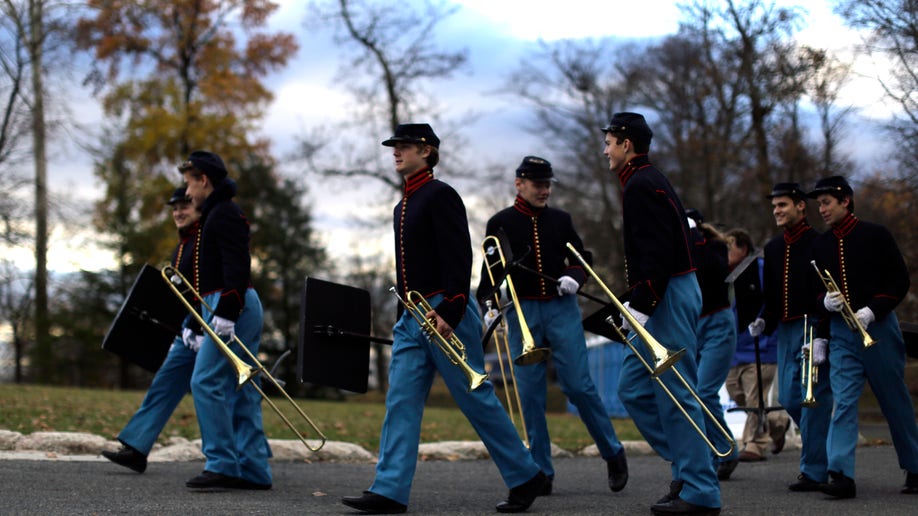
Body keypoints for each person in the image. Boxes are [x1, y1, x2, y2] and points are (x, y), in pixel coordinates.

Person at [341, 124, 547, 514]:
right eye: (394, 146)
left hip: (444, 310)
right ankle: (389, 490)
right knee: (400, 400)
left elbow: (458, 256)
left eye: (404, 146)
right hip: (411, 316)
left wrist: (452, 308)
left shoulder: (441, 194)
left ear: (427, 151)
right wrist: (405, 315)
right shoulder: (402, 206)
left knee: (475, 398)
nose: (396, 152)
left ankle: (525, 475)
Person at [475, 155, 628, 497]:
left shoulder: (561, 220)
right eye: (538, 184)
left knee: (578, 386)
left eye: (548, 184)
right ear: (520, 184)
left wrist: (574, 276)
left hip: (561, 309)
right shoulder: (499, 222)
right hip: (522, 313)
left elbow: (581, 257)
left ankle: (613, 451)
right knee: (530, 395)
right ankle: (542, 470)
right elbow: (489, 276)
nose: (545, 190)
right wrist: (489, 306)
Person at [602, 112, 721, 516]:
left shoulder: (641, 183)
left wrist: (640, 305)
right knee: (633, 389)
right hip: (663, 290)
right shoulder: (642, 180)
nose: (605, 149)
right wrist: (634, 301)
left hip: (668, 291)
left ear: (626, 144)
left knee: (677, 394)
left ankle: (701, 488)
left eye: (609, 142)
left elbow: (657, 253)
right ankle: (691, 467)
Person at [808, 175, 918, 498]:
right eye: (819, 204)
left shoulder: (876, 235)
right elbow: (814, 294)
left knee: (894, 400)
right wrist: (823, 307)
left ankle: (915, 467)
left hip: (879, 328)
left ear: (846, 200)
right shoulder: (821, 244)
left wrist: (873, 309)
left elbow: (899, 282)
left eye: (827, 202)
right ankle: (840, 474)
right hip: (843, 332)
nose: (822, 210)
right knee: (842, 402)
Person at [178, 151, 272, 490]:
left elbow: (238, 266)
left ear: (204, 180)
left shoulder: (225, 213)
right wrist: (196, 321)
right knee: (241, 389)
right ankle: (254, 469)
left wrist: (227, 312)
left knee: (204, 381)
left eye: (189, 184)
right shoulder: (213, 214)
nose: (186, 193)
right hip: (219, 303)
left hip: (232, 303)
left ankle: (221, 463)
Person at [101, 186, 203, 473]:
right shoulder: (183, 245)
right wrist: (180, 330)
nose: (178, 212)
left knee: (229, 393)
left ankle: (249, 457)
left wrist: (200, 327)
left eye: (185, 206)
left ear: (199, 207)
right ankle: (136, 447)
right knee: (165, 382)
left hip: (215, 325)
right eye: (174, 208)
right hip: (189, 330)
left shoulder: (205, 241)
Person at [748, 182, 831, 492]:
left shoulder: (819, 242)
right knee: (788, 398)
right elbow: (771, 294)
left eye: (782, 205)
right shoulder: (772, 247)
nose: (777, 211)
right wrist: (762, 320)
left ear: (800, 206)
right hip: (784, 329)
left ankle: (814, 470)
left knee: (812, 398)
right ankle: (821, 455)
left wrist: (823, 329)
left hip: (813, 326)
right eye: (774, 206)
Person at [724, 229, 790, 465]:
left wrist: (764, 327)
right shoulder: (727, 276)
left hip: (760, 345)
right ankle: (775, 422)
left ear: (742, 248)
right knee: (736, 393)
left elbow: (771, 300)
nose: (725, 253)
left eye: (729, 247)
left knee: (755, 397)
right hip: (735, 349)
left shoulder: (760, 270)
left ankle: (755, 443)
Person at [684, 210, 739, 481]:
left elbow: (712, 271)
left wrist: (694, 233)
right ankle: (709, 453)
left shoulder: (714, 247)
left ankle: (726, 450)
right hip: (693, 326)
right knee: (692, 393)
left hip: (718, 323)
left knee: (705, 392)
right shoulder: (682, 247)